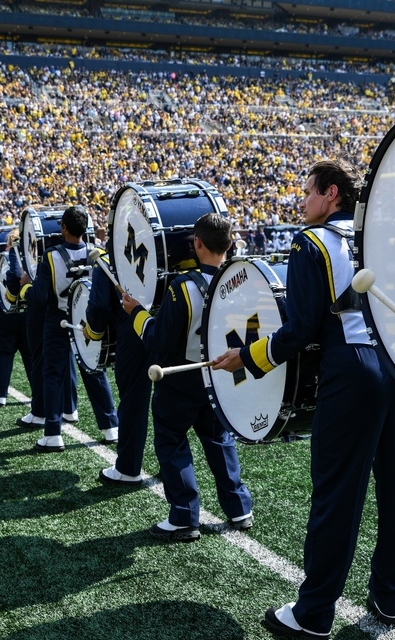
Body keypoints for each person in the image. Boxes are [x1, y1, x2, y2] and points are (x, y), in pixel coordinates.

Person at [213, 159, 395, 636]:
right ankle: (391, 595)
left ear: (331, 194)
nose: (301, 201)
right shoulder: (376, 236)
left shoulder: (310, 243)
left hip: (353, 368)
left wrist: (248, 356)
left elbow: (301, 329)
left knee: (337, 491)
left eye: (307, 192)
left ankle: (314, 613)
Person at [123, 212, 253, 541]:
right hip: (219, 374)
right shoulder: (242, 282)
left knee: (171, 441)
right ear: (229, 245)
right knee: (219, 440)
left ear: (197, 243)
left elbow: (158, 340)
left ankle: (183, 516)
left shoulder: (182, 287)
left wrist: (136, 313)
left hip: (180, 379)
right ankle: (239, 507)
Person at [16, 206, 91, 452]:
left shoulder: (51, 255)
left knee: (51, 372)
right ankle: (109, 426)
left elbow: (39, 296)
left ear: (63, 227)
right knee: (93, 371)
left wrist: (24, 288)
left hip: (57, 317)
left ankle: (52, 432)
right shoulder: (96, 251)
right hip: (85, 318)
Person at [86, 245, 154, 484]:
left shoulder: (105, 262)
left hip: (133, 331)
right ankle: (172, 469)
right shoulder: (156, 251)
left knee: (133, 400)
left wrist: (92, 332)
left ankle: (127, 469)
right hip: (165, 325)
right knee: (172, 401)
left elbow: (99, 306)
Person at [0, 228, 32, 407]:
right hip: (27, 316)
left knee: (4, 354)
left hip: (5, 317)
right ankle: (37, 395)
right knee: (30, 356)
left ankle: (0, 395)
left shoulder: (3, 260)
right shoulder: (33, 261)